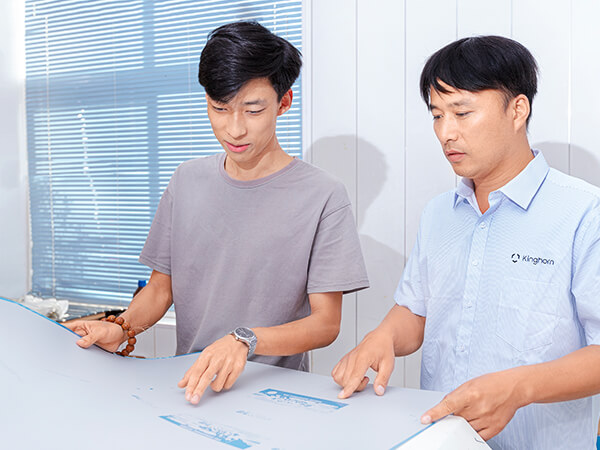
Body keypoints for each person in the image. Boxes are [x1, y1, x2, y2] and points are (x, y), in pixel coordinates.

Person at [67, 21, 369, 405]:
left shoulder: (323, 195)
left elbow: (326, 324)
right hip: (191, 389)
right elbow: (161, 289)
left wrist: (245, 340)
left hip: (277, 396)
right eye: (219, 108)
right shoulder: (186, 180)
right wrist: (124, 328)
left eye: (253, 110)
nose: (234, 129)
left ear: (285, 102)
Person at [332, 35, 600, 449]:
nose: (446, 133)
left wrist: (519, 388)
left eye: (462, 112)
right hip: (440, 438)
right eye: (437, 115)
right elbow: (415, 312)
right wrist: (383, 335)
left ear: (518, 109)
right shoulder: (439, 213)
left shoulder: (584, 213)